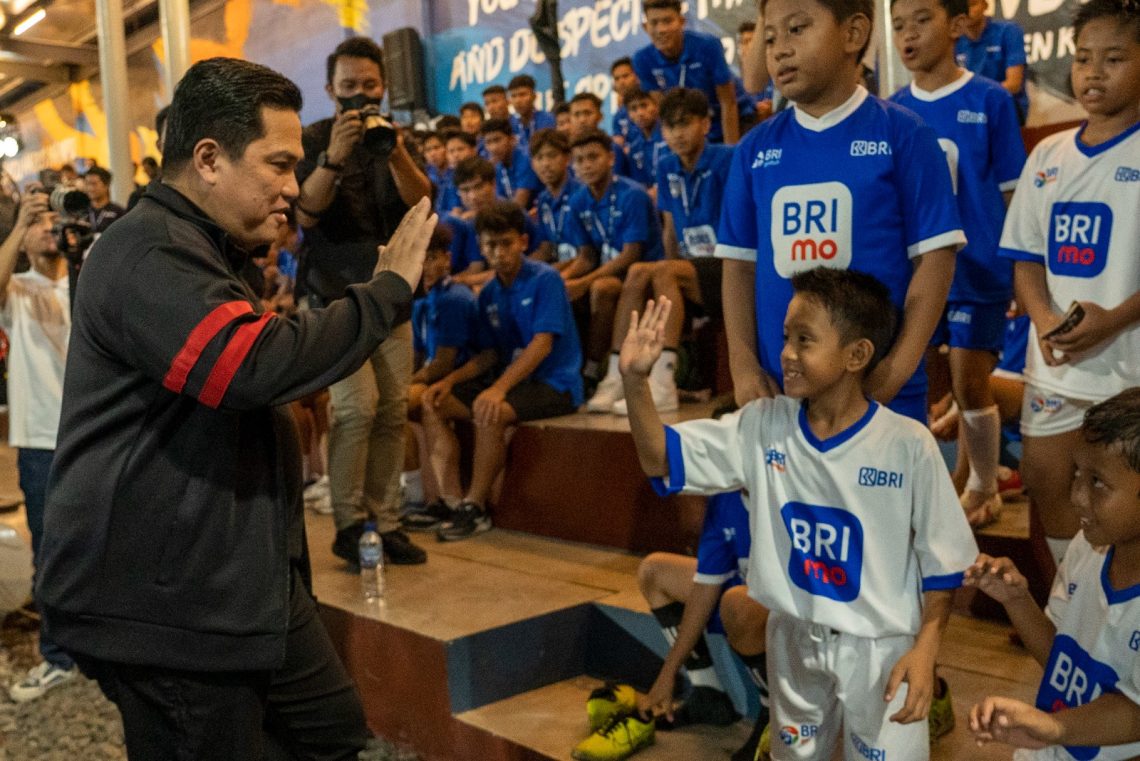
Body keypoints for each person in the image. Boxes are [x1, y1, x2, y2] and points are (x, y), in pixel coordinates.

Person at [35, 56, 438, 760]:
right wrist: (385, 291)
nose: (294, 186)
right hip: (170, 607)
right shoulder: (147, 252)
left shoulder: (202, 248)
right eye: (279, 165)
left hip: (239, 586)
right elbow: (247, 365)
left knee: (338, 740)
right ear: (210, 159)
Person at [622, 269, 978, 760]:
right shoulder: (764, 425)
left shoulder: (908, 445)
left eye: (804, 340)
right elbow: (660, 458)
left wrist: (926, 649)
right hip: (792, 637)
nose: (787, 353)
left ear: (857, 355)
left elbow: (944, 565)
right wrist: (634, 382)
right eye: (786, 337)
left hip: (881, 649)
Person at [716, 0, 963, 424]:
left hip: (881, 397)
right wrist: (743, 367)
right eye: (770, 37)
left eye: (797, 29)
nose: (779, 50)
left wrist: (896, 368)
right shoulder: (753, 150)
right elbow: (738, 268)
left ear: (853, 35)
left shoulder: (905, 134)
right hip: (780, 397)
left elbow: (936, 259)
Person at [997, 0, 1140, 567]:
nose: (1093, 73)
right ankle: (1071, 610)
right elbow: (1027, 258)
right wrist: (1042, 319)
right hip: (1055, 365)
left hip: (1129, 370)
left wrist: (1117, 317)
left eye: (1114, 58)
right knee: (1050, 484)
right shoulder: (1049, 156)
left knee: (1125, 504)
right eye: (1083, 59)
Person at [293, 36, 434, 568]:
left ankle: (390, 522)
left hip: (393, 294)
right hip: (335, 299)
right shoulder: (312, 139)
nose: (359, 97)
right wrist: (334, 156)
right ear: (330, 90)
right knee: (355, 410)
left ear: (384, 88)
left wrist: (393, 148)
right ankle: (349, 523)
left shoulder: (394, 138)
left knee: (394, 411)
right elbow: (306, 214)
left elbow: (422, 199)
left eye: (368, 87)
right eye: (348, 87)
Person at [888, 0, 1027, 527]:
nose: (908, 35)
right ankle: (955, 483)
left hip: (978, 267)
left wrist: (1020, 268)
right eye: (899, 25)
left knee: (970, 383)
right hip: (918, 273)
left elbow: (1015, 193)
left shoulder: (989, 98)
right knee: (924, 383)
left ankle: (984, 487)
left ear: (956, 25)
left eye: (922, 20)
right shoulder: (893, 109)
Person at [966, 388, 1140, 760]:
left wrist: (1057, 727)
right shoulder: (1085, 549)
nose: (1076, 495)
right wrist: (1017, 599)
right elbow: (1059, 656)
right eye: (1078, 473)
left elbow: (1135, 714)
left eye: (1097, 482)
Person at [420, 202, 582, 541]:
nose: (499, 252)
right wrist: (448, 381)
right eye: (491, 245)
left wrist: (498, 389)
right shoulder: (490, 292)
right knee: (433, 401)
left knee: (489, 410)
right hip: (514, 381)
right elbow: (489, 354)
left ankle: (475, 508)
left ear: (523, 241)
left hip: (555, 383)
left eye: (506, 243)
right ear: (480, 246)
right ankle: (450, 501)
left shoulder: (546, 279)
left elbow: (542, 344)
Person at [588, 88, 733, 415]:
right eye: (670, 127)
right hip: (691, 267)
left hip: (729, 266)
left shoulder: (727, 159)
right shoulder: (667, 165)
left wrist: (668, 268)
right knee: (641, 271)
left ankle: (664, 383)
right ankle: (615, 377)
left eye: (685, 124)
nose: (677, 134)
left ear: (706, 124)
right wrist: (666, 265)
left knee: (664, 271)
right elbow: (669, 227)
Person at [1, 192, 76, 702]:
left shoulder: (88, 280)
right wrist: (19, 223)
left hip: (93, 435)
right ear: (23, 238)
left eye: (54, 218)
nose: (49, 227)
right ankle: (58, 656)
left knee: (106, 543)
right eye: (38, 221)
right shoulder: (17, 289)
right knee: (51, 552)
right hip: (39, 442)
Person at [563, 129, 663, 391]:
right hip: (607, 270)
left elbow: (632, 255)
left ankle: (594, 371)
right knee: (559, 290)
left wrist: (583, 283)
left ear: (610, 158)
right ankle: (567, 371)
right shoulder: (577, 201)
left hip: (642, 275)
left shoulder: (633, 194)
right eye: (580, 160)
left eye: (593, 157)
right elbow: (586, 257)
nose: (586, 165)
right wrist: (561, 281)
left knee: (600, 289)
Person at [402, 226, 478, 532]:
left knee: (397, 402)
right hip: (436, 379)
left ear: (446, 259)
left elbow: (443, 364)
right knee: (393, 401)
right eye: (419, 258)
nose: (425, 266)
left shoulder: (454, 298)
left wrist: (404, 386)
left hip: (464, 379)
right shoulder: (421, 302)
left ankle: (434, 496)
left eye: (431, 257)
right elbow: (419, 360)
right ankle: (425, 495)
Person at [633, 0, 741, 144]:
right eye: (654, 23)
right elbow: (667, 110)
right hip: (690, 126)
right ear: (645, 27)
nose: (661, 30)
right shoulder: (642, 60)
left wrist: (730, 151)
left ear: (682, 22)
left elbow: (728, 102)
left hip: (732, 117)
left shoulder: (708, 46)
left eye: (667, 21)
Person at [956, 0, 1030, 123]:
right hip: (971, 108)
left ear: (985, 5)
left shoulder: (1009, 31)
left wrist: (974, 97)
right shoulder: (954, 42)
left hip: (1006, 105)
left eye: (972, 5)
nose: (966, 12)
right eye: (961, 7)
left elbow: (1013, 85)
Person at [529, 128, 584, 267]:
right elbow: (546, 248)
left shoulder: (582, 194)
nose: (545, 164)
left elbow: (589, 255)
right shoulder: (543, 199)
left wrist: (549, 273)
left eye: (552, 156)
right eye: (539, 158)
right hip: (559, 265)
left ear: (567, 159)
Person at [480, 117, 543, 210]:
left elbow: (519, 205)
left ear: (512, 139)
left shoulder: (525, 159)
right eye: (488, 142)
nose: (493, 148)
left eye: (497, 140)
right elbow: (497, 201)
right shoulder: (497, 166)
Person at [623, 88, 669, 196]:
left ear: (656, 106)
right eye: (633, 109)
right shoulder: (634, 147)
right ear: (629, 114)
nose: (640, 113)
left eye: (644, 106)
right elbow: (638, 183)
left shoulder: (670, 138)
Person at [507, 74, 556, 150]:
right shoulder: (509, 125)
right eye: (513, 96)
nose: (518, 101)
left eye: (522, 94)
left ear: (534, 96)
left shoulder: (548, 120)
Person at [438, 129, 477, 216]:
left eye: (460, 149)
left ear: (473, 150)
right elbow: (439, 209)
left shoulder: (483, 172)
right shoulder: (447, 177)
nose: (456, 155)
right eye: (451, 151)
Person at [82, 167, 126, 233]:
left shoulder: (118, 213)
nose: (90, 188)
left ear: (106, 185)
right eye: (87, 184)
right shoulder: (82, 212)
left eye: (94, 184)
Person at [610, 57, 640, 147]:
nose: (621, 82)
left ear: (637, 76)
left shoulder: (653, 102)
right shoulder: (618, 115)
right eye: (617, 79)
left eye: (625, 76)